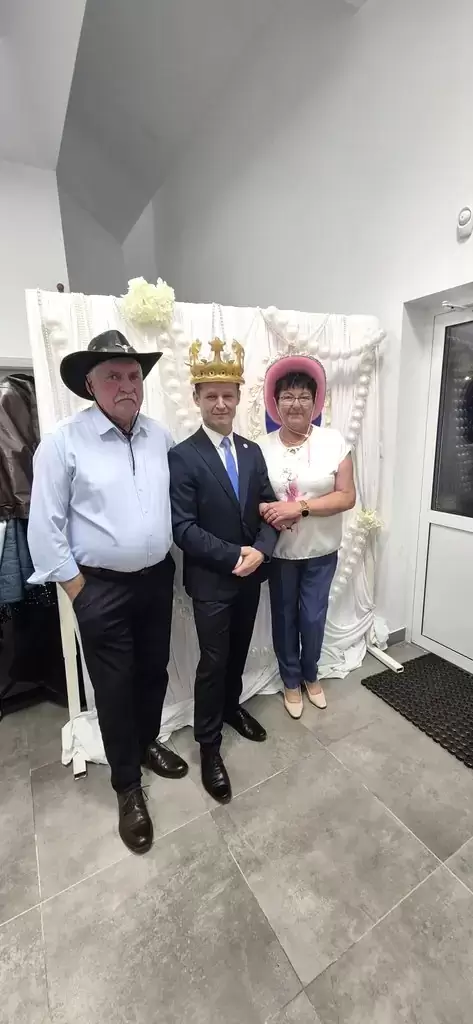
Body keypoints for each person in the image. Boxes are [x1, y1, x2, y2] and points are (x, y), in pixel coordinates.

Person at [27, 330, 188, 855]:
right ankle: (127, 786)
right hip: (100, 589)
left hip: (157, 579)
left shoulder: (160, 437)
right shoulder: (63, 442)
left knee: (154, 671)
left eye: (134, 375)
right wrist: (80, 591)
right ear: (90, 385)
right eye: (113, 376)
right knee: (114, 689)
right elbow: (44, 529)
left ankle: (145, 744)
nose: (126, 385)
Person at [169, 339, 278, 804]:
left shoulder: (252, 451)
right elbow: (183, 528)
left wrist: (262, 551)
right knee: (213, 663)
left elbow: (269, 508)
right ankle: (209, 745)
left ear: (237, 397)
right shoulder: (183, 456)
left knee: (238, 652)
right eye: (210, 395)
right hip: (213, 580)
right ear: (196, 397)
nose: (220, 403)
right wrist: (237, 555)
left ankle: (232, 708)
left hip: (251, 574)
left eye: (227, 395)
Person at [258, 354, 356, 719]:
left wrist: (299, 508)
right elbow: (253, 497)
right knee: (284, 618)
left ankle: (311, 674)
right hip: (282, 553)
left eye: (303, 396)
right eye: (288, 396)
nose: (295, 403)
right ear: (275, 402)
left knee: (313, 617)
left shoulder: (334, 441)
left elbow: (347, 496)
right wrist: (268, 510)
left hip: (321, 550)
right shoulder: (260, 447)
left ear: (316, 402)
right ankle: (290, 680)